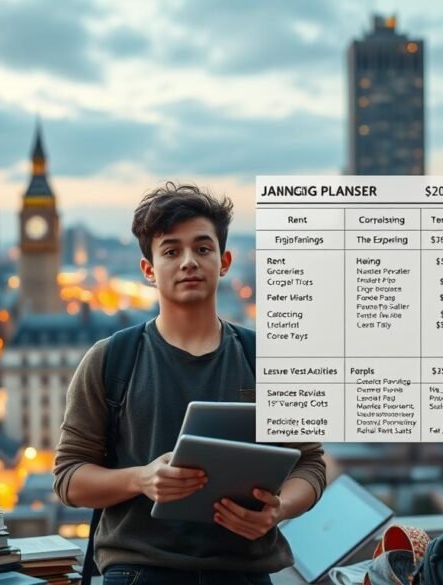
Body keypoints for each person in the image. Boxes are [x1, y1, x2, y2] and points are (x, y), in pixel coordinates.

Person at [53, 182, 326, 585]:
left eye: (202, 248)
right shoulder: (111, 360)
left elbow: (310, 463)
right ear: (148, 270)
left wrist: (278, 509)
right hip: (139, 572)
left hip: (244, 573)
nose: (188, 262)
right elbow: (68, 478)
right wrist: (141, 478)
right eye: (170, 251)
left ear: (224, 261)